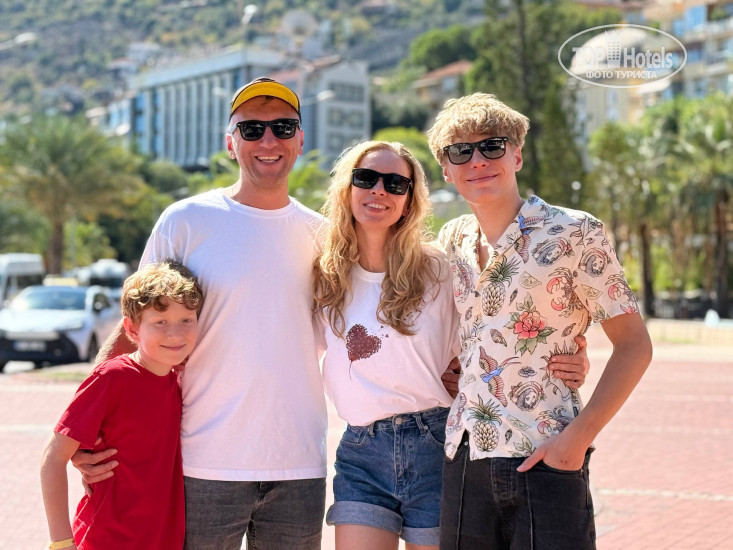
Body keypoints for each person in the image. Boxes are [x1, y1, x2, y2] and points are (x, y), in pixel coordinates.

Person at [72, 78, 328, 550]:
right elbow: (136, 325)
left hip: (298, 465)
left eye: (282, 127)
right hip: (201, 461)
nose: (268, 140)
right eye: (251, 129)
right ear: (231, 143)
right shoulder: (186, 221)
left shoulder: (326, 236)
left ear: (300, 140)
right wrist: (83, 428)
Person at [313, 141, 591, 550]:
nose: (379, 190)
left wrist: (568, 355)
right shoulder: (325, 274)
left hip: (436, 444)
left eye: (395, 184)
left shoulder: (440, 268)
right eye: (366, 178)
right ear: (347, 188)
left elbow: (498, 324)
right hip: (361, 452)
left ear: (409, 201)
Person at [426, 93, 653, 549]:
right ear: (446, 169)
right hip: (466, 456)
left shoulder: (574, 231)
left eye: (492, 146)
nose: (477, 160)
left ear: (516, 155)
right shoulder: (451, 240)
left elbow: (634, 345)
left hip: (547, 452)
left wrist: (577, 440)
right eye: (461, 151)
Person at [40, 259, 204, 550]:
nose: (175, 334)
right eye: (161, 322)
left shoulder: (179, 381)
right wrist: (62, 543)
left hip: (162, 541)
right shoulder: (112, 377)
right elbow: (53, 459)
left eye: (186, 321)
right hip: (106, 540)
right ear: (132, 329)